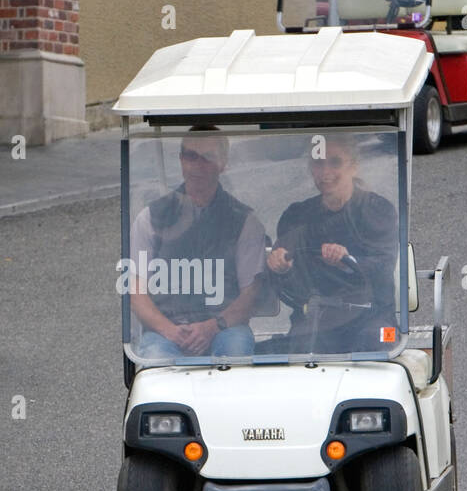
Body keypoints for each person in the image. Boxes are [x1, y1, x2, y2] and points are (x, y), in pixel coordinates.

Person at [129, 128, 266, 359]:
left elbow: (250, 295)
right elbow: (135, 292)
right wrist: (170, 331)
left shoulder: (245, 221)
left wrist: (212, 327)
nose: (197, 165)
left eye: (208, 157)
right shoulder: (150, 218)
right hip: (167, 329)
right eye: (191, 156)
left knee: (235, 351)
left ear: (223, 163)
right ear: (181, 160)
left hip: (224, 328)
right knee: (156, 359)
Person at [265, 133, 397, 353]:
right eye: (318, 163)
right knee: (298, 348)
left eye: (335, 162)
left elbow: (383, 269)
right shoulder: (297, 217)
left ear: (353, 167)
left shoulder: (377, 210)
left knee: (378, 342)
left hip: (373, 317)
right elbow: (292, 291)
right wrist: (282, 269)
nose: (325, 172)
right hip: (318, 319)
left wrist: (348, 261)